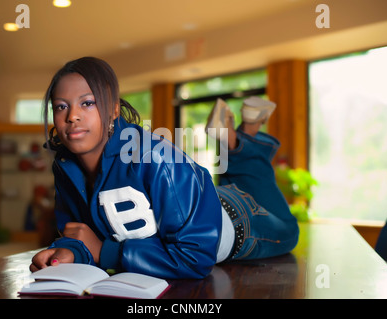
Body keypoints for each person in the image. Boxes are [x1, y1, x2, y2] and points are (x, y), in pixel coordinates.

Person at [29, 57, 299, 279]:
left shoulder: (155, 157)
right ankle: (241, 132)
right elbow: (82, 232)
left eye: (87, 103)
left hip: (236, 219)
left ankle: (245, 132)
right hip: (201, 200)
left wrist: (104, 252)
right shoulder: (65, 165)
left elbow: (195, 257)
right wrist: (68, 252)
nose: (72, 115)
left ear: (113, 109)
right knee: (245, 178)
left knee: (288, 229)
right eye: (61, 106)